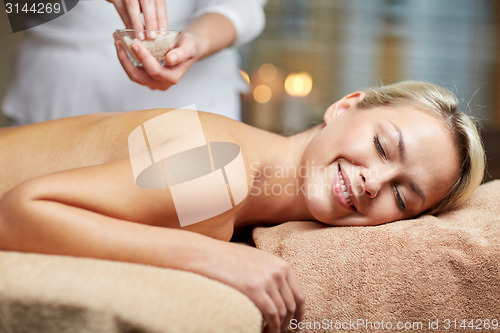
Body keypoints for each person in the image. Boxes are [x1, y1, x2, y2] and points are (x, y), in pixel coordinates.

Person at [0, 81, 485, 333]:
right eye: (382, 147)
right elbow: (18, 212)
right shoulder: (221, 170)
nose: (372, 182)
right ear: (344, 106)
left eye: (402, 196)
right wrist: (216, 258)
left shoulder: (246, 181)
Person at [2, 0, 265, 125]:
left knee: (190, 227)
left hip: (191, 111)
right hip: (58, 101)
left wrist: (197, 41)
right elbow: (18, 8)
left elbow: (243, 6)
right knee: (41, 227)